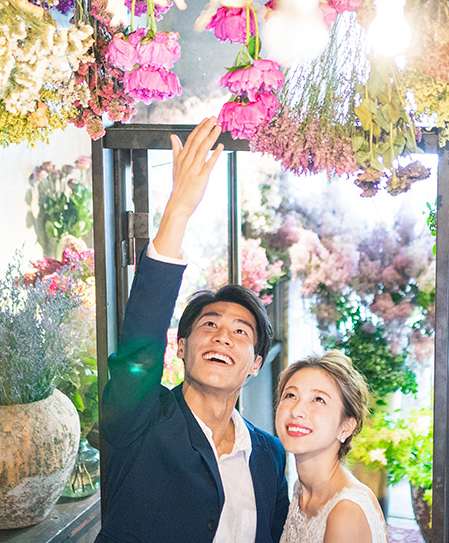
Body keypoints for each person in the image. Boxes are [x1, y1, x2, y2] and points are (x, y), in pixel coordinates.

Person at [97, 117, 290, 543]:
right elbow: (139, 345)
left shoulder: (270, 456)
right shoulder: (140, 420)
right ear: (181, 347)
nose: (223, 336)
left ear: (256, 364)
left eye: (241, 332)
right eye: (210, 324)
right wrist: (178, 210)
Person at [276, 351, 387, 543]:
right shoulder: (303, 489)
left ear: (346, 427)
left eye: (318, 399)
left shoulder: (346, 511)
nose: (296, 411)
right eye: (291, 395)